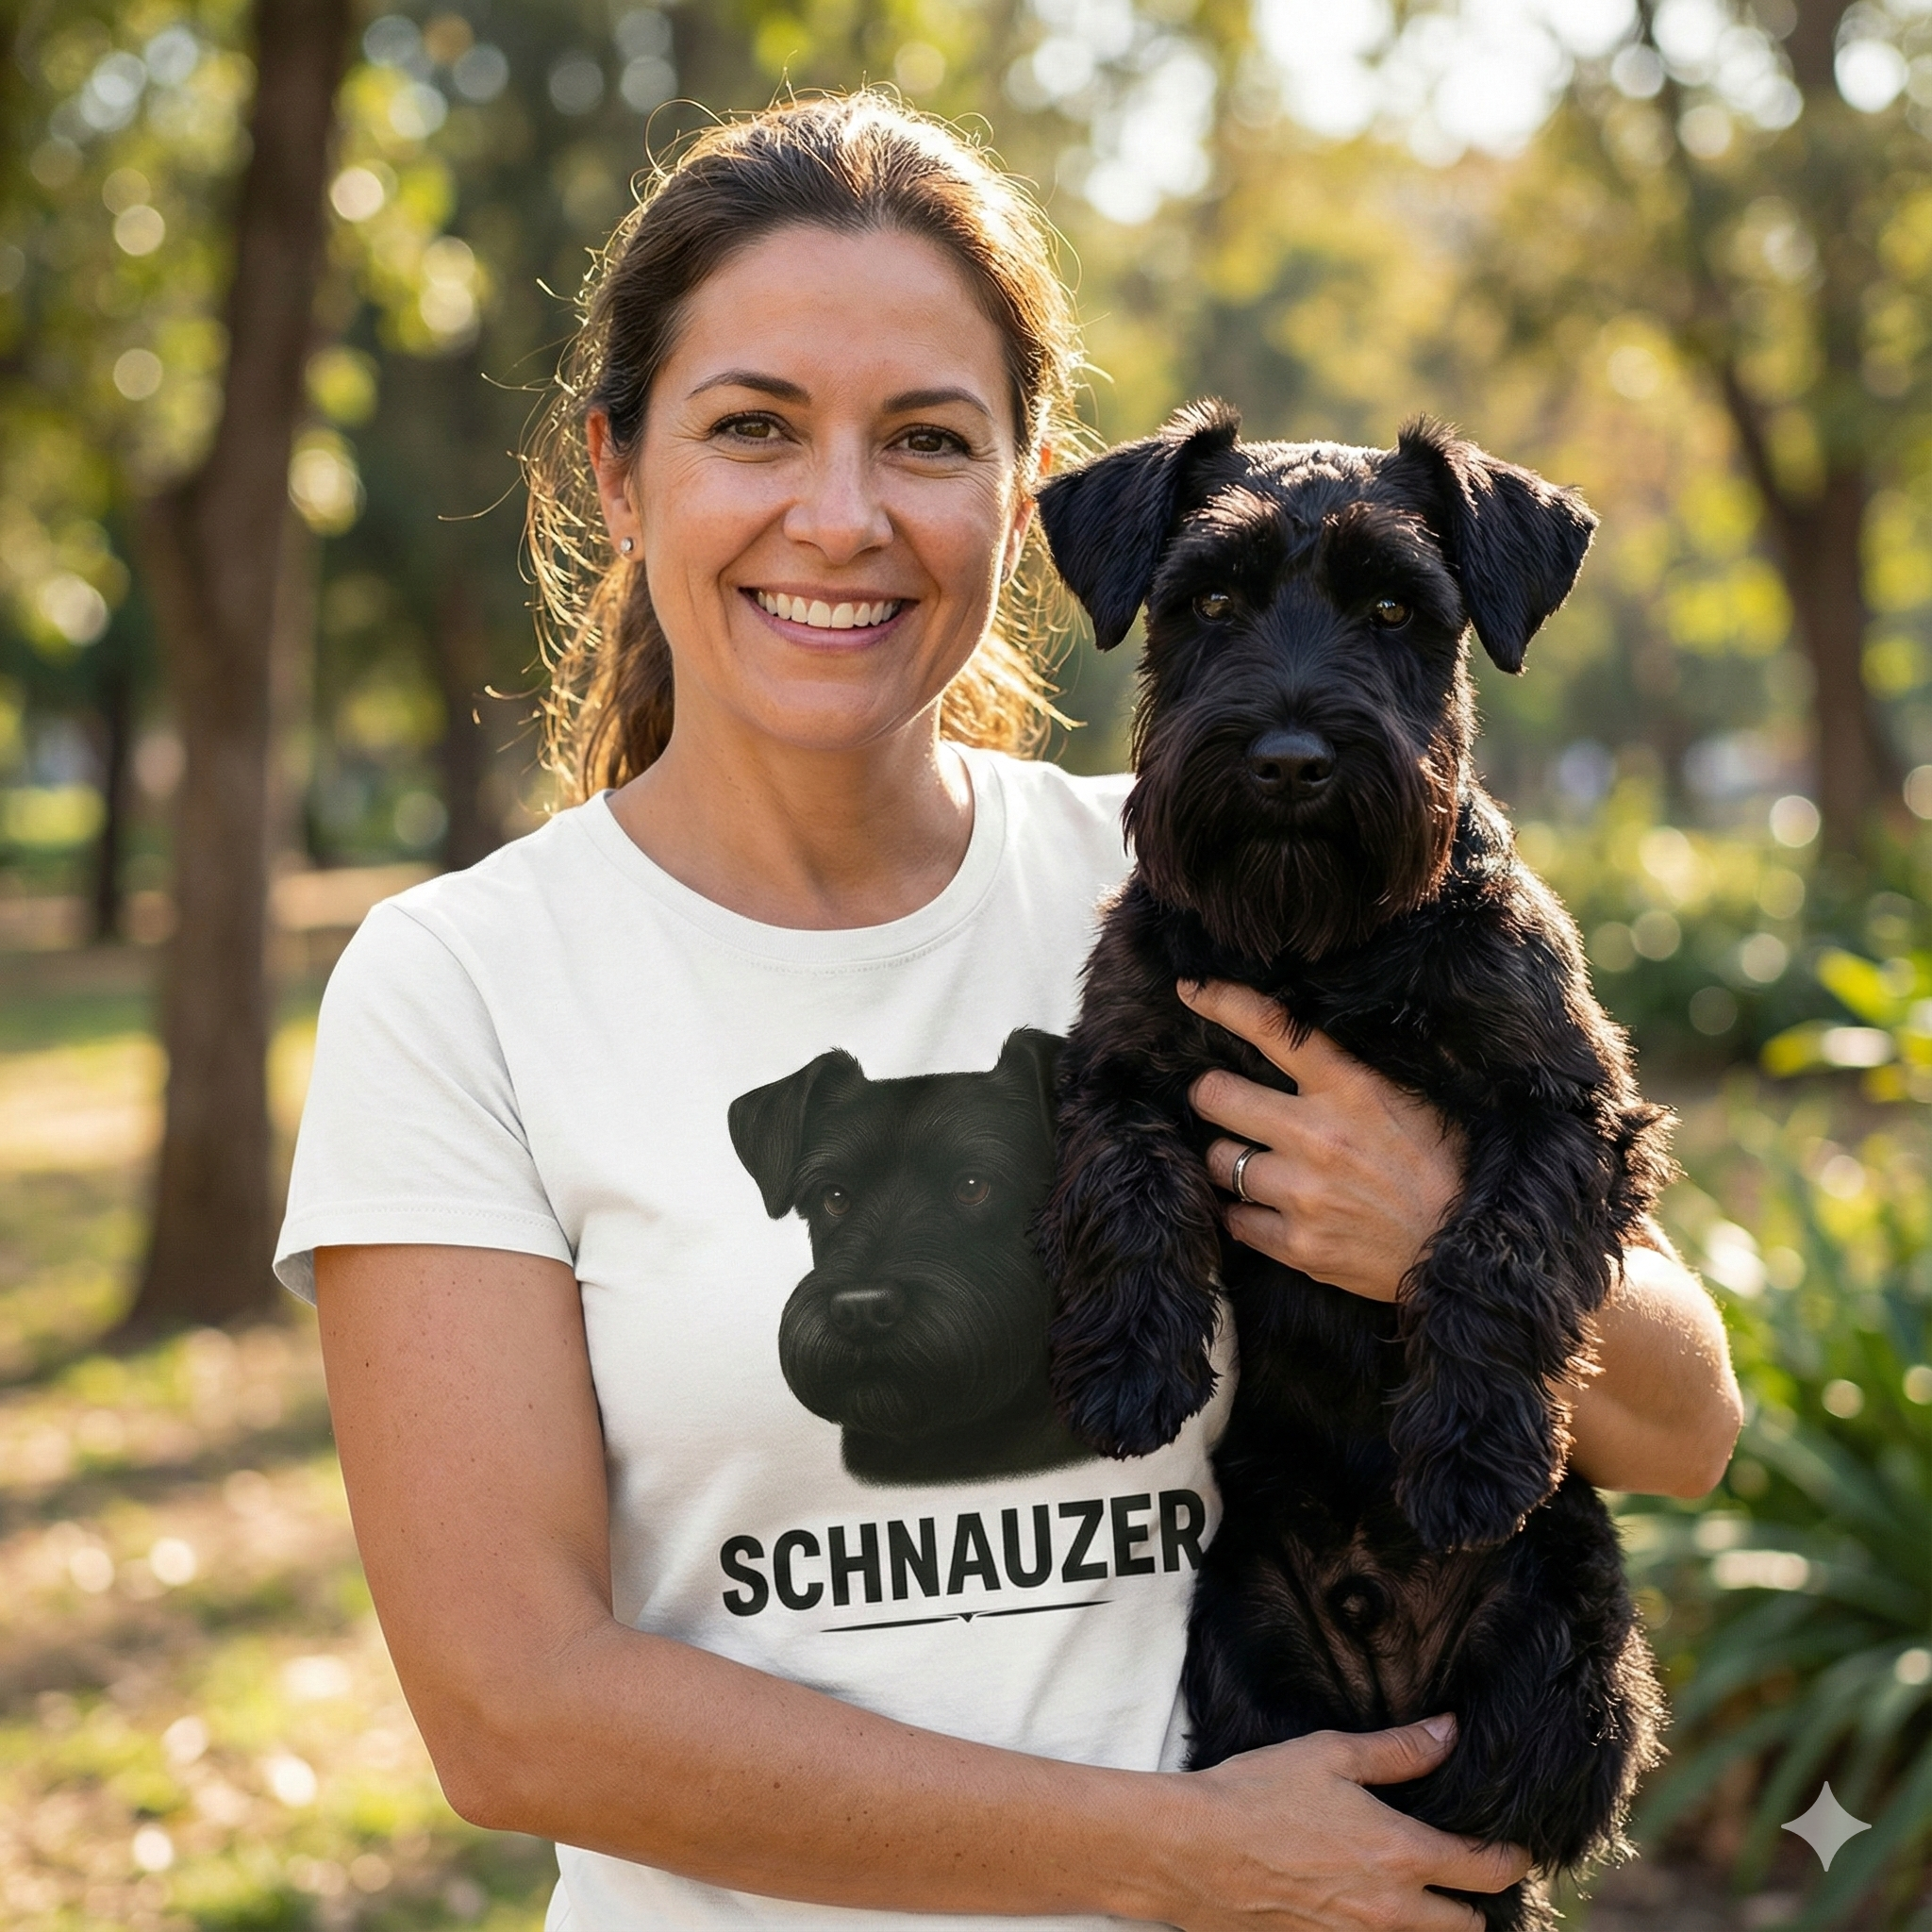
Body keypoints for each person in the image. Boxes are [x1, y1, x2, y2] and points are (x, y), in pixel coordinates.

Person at [275, 93, 1742, 1932]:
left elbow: (1685, 1432)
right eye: (750, 426)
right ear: (616, 471)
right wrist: (1180, 1854)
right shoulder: (463, 988)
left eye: (924, 438)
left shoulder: (1214, 886)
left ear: (1024, 488)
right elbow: (512, 1718)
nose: (840, 514)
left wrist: (1442, 1225)